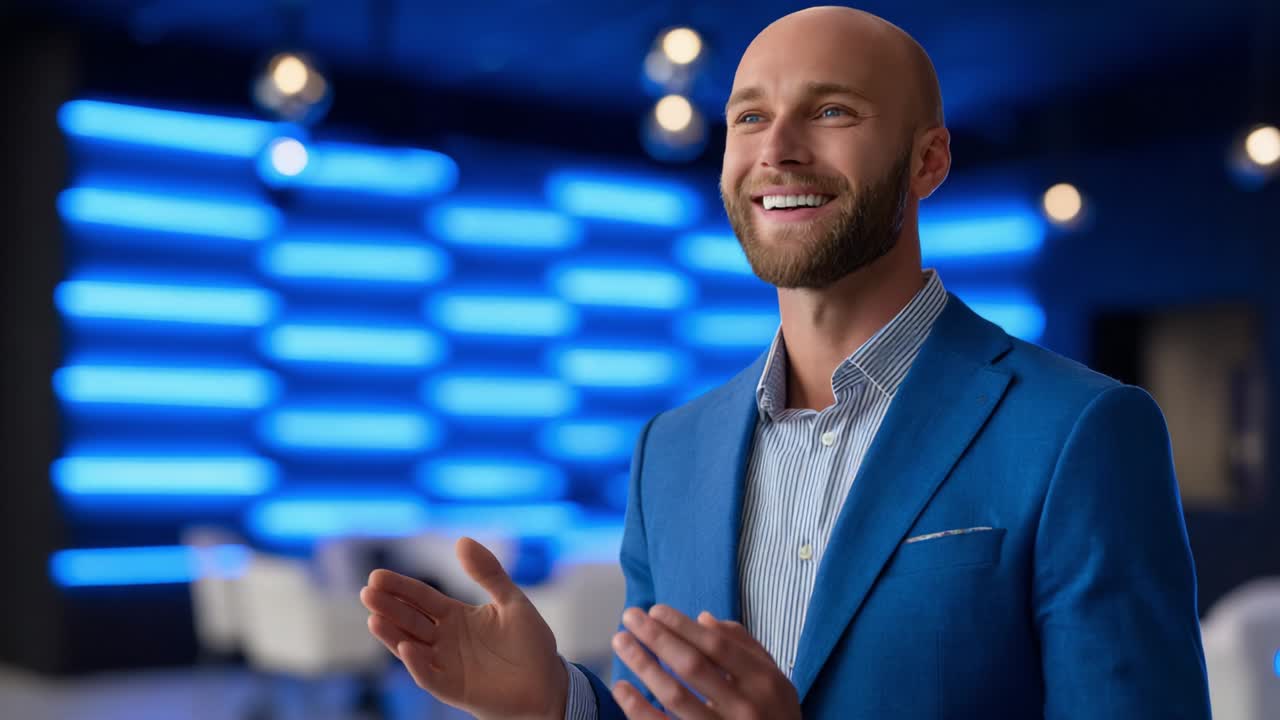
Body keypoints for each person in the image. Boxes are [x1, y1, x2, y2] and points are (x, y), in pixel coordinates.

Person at [359, 6, 1213, 719]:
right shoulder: (671, 451)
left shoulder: (1080, 430)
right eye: (749, 117)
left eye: (831, 111)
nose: (778, 150)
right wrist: (557, 701)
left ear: (928, 161)